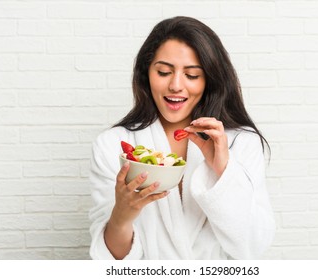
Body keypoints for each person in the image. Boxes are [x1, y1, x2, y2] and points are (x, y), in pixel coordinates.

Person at [89, 16, 275, 260]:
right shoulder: (112, 144)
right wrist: (122, 215)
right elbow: (110, 262)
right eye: (164, 72)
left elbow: (253, 247)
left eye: (192, 75)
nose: (176, 85)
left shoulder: (241, 142)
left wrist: (223, 169)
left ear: (210, 80)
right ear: (147, 74)